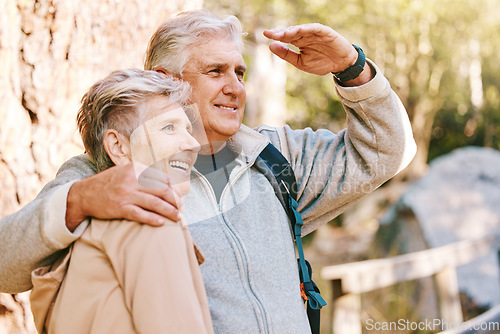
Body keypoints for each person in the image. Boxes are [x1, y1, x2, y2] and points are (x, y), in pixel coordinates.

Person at [0, 9, 416, 333]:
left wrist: (351, 67)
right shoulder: (105, 172)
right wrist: (78, 200)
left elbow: (386, 153)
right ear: (167, 81)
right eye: (215, 71)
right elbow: (5, 263)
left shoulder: (273, 154)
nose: (235, 86)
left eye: (239, 71)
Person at [29, 69, 213, 334]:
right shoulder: (150, 218)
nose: (193, 143)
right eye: (169, 127)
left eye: (187, 128)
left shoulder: (81, 235)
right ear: (118, 147)